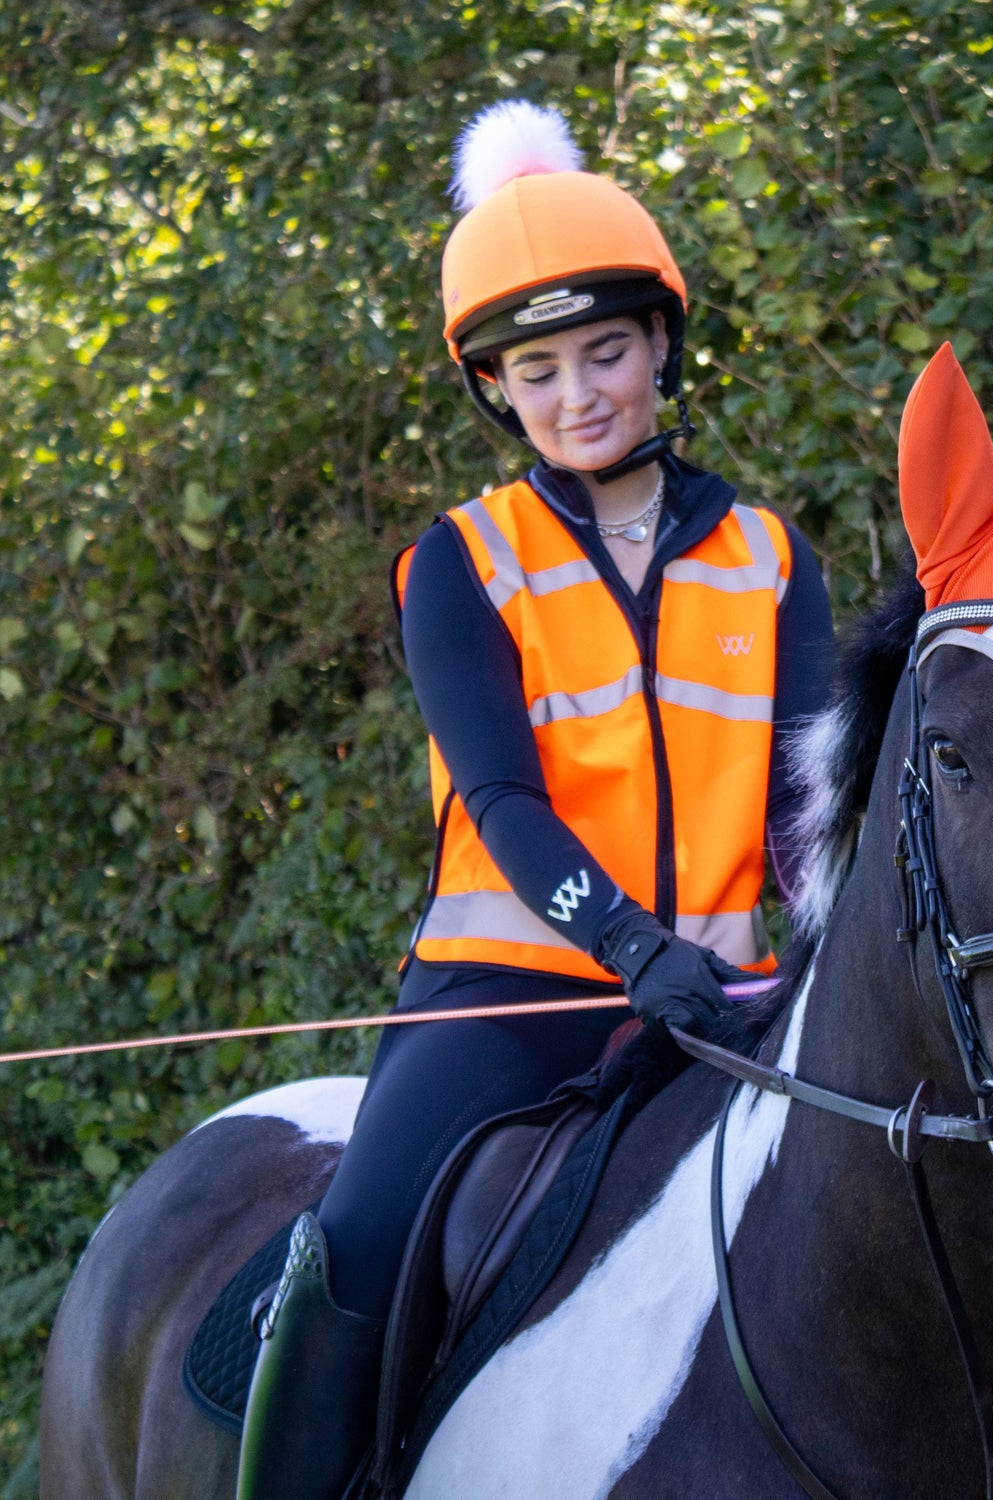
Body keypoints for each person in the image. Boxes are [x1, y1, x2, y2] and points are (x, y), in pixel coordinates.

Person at [234, 100, 834, 1499]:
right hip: (507, 997)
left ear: (662, 343)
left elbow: (807, 809)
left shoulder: (770, 558)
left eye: (606, 352)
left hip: (727, 1002)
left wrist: (818, 949)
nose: (580, 397)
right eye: (538, 370)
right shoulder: (463, 561)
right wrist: (629, 947)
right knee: (360, 1245)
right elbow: (501, 801)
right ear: (497, 388)